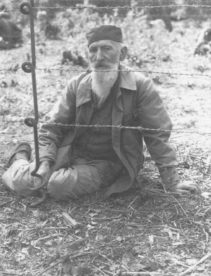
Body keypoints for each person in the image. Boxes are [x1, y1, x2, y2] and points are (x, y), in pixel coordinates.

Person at [2, 25, 198, 200]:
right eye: (93, 50)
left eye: (106, 49)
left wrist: (171, 182)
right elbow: (51, 128)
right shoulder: (77, 84)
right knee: (27, 181)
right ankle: (20, 158)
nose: (99, 57)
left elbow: (157, 135)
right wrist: (44, 162)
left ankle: (27, 162)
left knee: (58, 186)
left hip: (110, 161)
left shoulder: (141, 87)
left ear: (122, 54)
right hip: (70, 152)